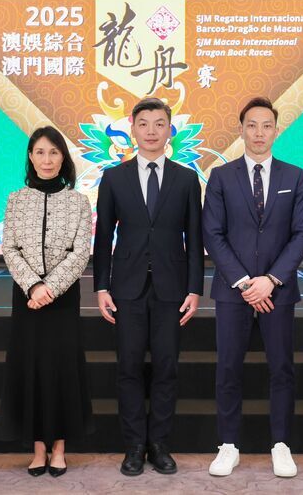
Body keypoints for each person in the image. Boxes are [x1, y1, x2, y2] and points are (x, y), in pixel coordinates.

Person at [93, 97, 204, 476]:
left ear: (169, 130)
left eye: (159, 124)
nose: (152, 131)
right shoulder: (114, 178)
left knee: (166, 367)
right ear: (133, 129)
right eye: (144, 124)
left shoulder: (186, 179)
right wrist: (101, 286)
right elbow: (103, 237)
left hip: (173, 288)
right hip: (127, 288)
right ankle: (134, 445)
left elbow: (195, 237)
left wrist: (194, 288)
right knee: (128, 367)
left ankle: (159, 444)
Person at [203, 96, 303, 478]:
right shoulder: (221, 176)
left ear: (276, 130)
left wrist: (270, 280)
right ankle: (228, 445)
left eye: (266, 125)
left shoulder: (294, 176)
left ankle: (281, 445)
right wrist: (245, 282)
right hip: (233, 291)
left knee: (281, 369)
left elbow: (302, 234)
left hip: (277, 291)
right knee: (228, 369)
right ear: (241, 129)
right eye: (252, 125)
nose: (259, 132)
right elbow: (213, 233)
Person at [0, 126, 93, 478]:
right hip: (27, 298)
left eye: (53, 152)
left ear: (63, 158)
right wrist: (34, 286)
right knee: (31, 368)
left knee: (62, 369)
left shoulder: (78, 202)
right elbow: (10, 249)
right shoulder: (16, 199)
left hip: (62, 299)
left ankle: (60, 448)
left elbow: (80, 252)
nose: (47, 160)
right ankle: (38, 448)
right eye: (40, 152)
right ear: (30, 157)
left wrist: (49, 288)